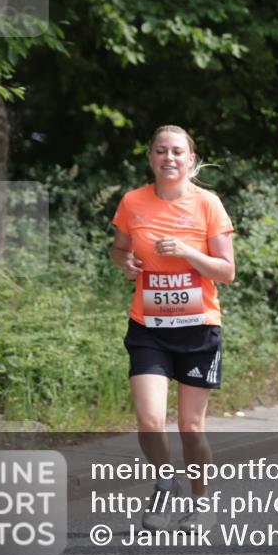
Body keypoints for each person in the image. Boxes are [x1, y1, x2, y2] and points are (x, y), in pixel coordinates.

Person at [109, 124, 236, 530]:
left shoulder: (208, 204)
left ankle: (202, 501)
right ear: (151, 158)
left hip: (198, 329)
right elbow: (119, 249)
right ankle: (165, 482)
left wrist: (185, 251)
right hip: (148, 326)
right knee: (149, 420)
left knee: (190, 427)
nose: (169, 158)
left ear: (191, 160)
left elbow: (228, 271)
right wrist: (124, 263)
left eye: (177, 151)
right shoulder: (133, 202)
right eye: (161, 151)